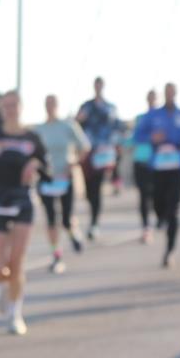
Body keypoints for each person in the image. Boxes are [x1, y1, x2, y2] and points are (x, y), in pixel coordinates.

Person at [0, 90, 50, 335]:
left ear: (21, 107)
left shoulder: (32, 137)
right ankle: (6, 285)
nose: (10, 109)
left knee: (17, 262)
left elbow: (45, 165)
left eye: (14, 105)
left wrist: (35, 164)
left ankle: (15, 313)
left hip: (22, 200)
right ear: (2, 108)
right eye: (6, 105)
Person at [133, 82, 180, 268]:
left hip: (177, 167)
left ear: (176, 94)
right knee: (157, 203)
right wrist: (151, 138)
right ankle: (160, 218)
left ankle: (169, 251)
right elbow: (137, 136)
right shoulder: (153, 115)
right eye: (167, 92)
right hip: (158, 167)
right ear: (164, 94)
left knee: (174, 209)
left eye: (173, 92)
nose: (170, 95)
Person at [35, 95, 90, 274]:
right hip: (46, 178)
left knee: (66, 219)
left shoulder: (67, 126)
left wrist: (73, 163)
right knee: (51, 218)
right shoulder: (39, 130)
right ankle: (56, 255)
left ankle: (73, 232)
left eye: (53, 104)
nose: (50, 107)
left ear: (57, 106)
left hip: (64, 177)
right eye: (47, 104)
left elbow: (85, 146)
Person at [76, 76, 120, 240]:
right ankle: (93, 212)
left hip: (104, 152)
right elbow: (76, 126)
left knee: (97, 187)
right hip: (88, 152)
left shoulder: (110, 107)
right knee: (89, 190)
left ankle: (94, 222)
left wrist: (115, 148)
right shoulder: (86, 106)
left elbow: (117, 127)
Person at [128, 89, 159, 244]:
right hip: (140, 160)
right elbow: (134, 137)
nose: (151, 101)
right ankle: (146, 227)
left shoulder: (162, 117)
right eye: (149, 98)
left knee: (156, 195)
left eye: (154, 98)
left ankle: (160, 218)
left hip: (157, 162)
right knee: (143, 196)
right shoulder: (141, 118)